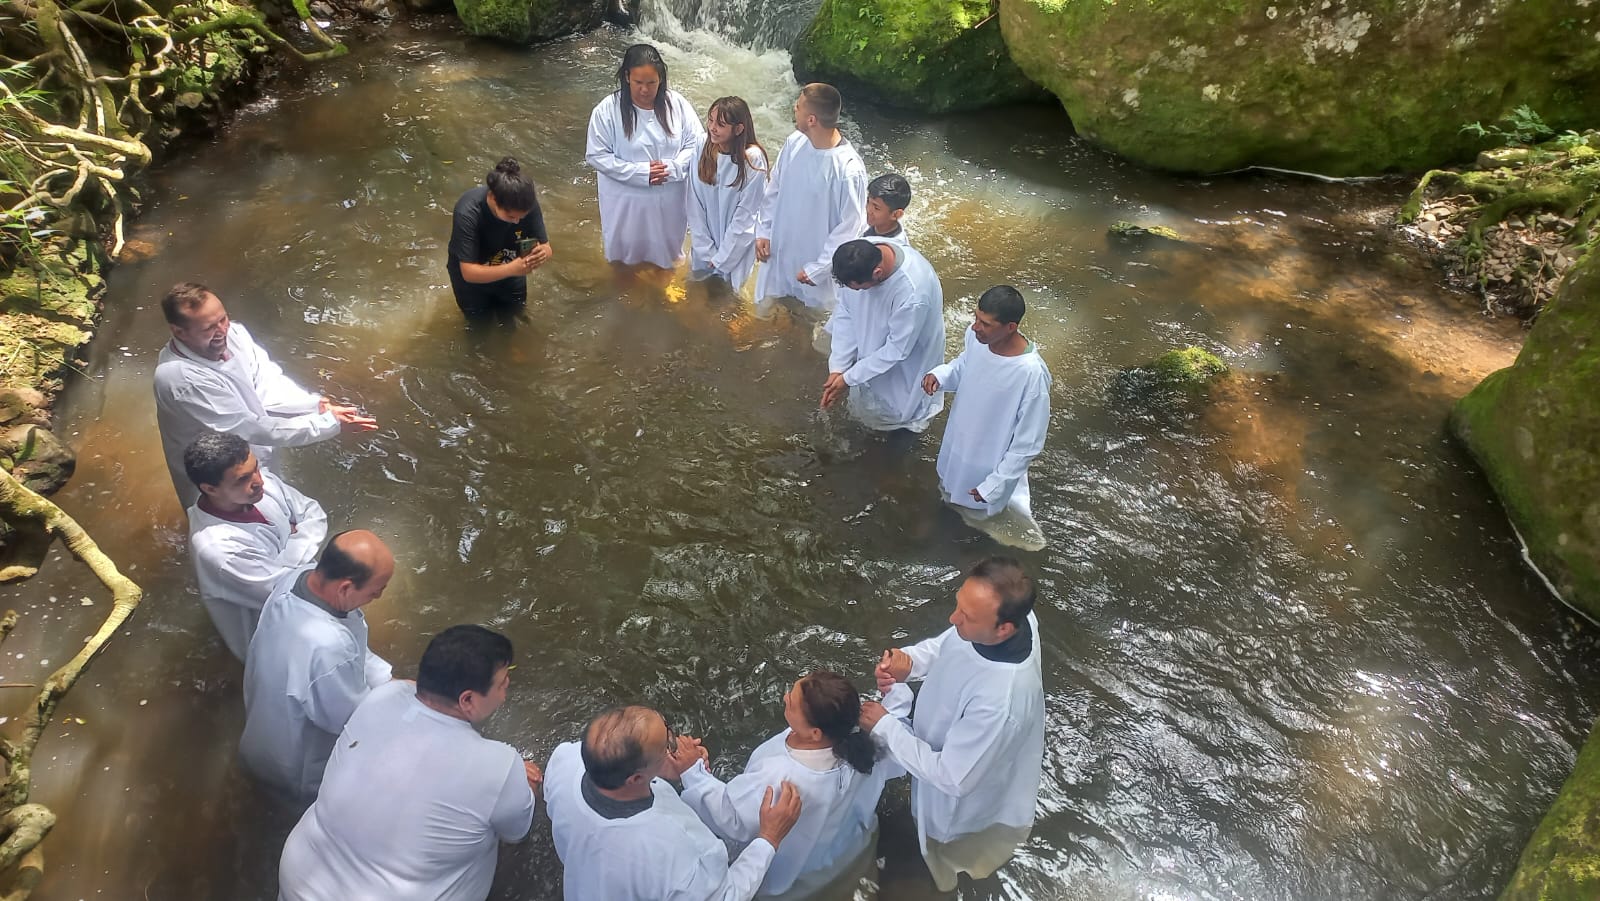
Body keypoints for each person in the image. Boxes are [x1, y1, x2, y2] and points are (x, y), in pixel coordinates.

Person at [278, 625, 538, 901]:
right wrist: (522, 784)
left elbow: (408, 689)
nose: (507, 685)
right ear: (468, 699)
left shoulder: (379, 698)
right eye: (501, 683)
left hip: (299, 880)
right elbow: (516, 833)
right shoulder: (499, 764)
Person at [859, 557, 1044, 892]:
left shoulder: (999, 703)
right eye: (958, 604)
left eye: (966, 616)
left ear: (1004, 629)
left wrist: (886, 727)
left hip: (959, 814)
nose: (953, 618)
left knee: (941, 863)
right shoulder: (1008, 619)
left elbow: (952, 778)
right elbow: (949, 643)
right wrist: (909, 662)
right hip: (941, 757)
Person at [154, 282, 377, 509]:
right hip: (219, 482)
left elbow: (268, 382)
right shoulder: (181, 379)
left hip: (256, 456)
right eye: (209, 328)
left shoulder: (235, 334)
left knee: (284, 518)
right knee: (236, 532)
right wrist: (329, 424)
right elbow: (250, 428)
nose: (222, 331)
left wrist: (314, 406)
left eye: (223, 319)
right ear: (179, 332)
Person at [544, 706, 804, 901]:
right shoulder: (674, 851)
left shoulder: (565, 760)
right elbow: (727, 895)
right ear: (635, 778)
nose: (677, 743)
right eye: (667, 744)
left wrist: (663, 769)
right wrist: (768, 839)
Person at [680, 671, 899, 898]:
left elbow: (730, 817)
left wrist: (692, 772)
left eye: (792, 702)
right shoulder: (864, 742)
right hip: (844, 848)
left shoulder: (780, 778)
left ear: (815, 733)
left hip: (789, 875)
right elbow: (897, 741)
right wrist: (896, 690)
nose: (785, 697)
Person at [239, 530, 395, 801]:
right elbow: (352, 720)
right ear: (345, 588)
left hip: (258, 737)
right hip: (296, 768)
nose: (378, 598)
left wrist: (387, 681)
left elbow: (354, 642)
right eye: (375, 592)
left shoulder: (300, 577)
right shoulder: (327, 647)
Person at [183, 431, 327, 661]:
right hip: (269, 639)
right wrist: (293, 538)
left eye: (256, 468)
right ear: (210, 489)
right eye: (242, 479)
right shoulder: (220, 549)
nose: (258, 481)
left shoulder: (261, 484)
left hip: (304, 595)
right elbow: (285, 592)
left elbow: (313, 512)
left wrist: (282, 558)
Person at [922, 286, 1052, 536]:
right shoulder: (978, 339)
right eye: (976, 318)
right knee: (948, 492)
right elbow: (963, 366)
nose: (975, 327)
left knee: (974, 524)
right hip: (958, 440)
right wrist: (941, 375)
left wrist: (995, 485)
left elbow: (1028, 443)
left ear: (1010, 327)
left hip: (988, 462)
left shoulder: (1031, 374)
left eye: (986, 323)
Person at [586, 44, 705, 268]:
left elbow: (697, 143)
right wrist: (641, 173)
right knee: (624, 261)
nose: (645, 90)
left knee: (668, 258)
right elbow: (596, 155)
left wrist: (674, 168)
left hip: (669, 198)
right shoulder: (607, 110)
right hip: (625, 203)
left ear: (661, 79)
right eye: (639, 82)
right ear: (627, 77)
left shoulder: (676, 105)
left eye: (651, 82)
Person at [754, 84, 868, 312]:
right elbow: (774, 188)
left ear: (812, 119)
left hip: (815, 268)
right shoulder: (795, 142)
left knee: (804, 329)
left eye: (798, 107)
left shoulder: (848, 169)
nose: (794, 109)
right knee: (766, 317)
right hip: (780, 253)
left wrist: (820, 268)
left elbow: (850, 227)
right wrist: (764, 231)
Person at [820, 238, 946, 432]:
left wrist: (848, 378)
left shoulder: (912, 293)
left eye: (860, 288)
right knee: (863, 407)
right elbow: (846, 312)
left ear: (877, 274)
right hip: (870, 352)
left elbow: (897, 349)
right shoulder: (859, 256)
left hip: (908, 359)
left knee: (902, 417)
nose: (857, 292)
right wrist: (839, 367)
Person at [446, 156, 552, 316]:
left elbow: (546, 246)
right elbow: (468, 272)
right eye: (511, 217)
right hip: (473, 284)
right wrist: (511, 268)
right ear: (493, 199)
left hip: (512, 272)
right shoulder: (468, 212)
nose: (517, 222)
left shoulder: (526, 204)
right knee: (479, 326)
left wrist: (541, 254)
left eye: (521, 217)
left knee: (515, 317)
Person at [687, 96, 768, 293]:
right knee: (696, 292)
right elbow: (694, 201)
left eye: (721, 124)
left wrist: (722, 258)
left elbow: (746, 215)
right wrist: (705, 249)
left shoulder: (752, 159)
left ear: (739, 129)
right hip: (704, 242)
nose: (712, 127)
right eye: (711, 120)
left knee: (728, 299)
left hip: (735, 249)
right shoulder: (702, 146)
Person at [862, 173, 911, 243]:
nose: (868, 209)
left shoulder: (890, 248)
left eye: (876, 208)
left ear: (896, 214)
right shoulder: (877, 223)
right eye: (868, 201)